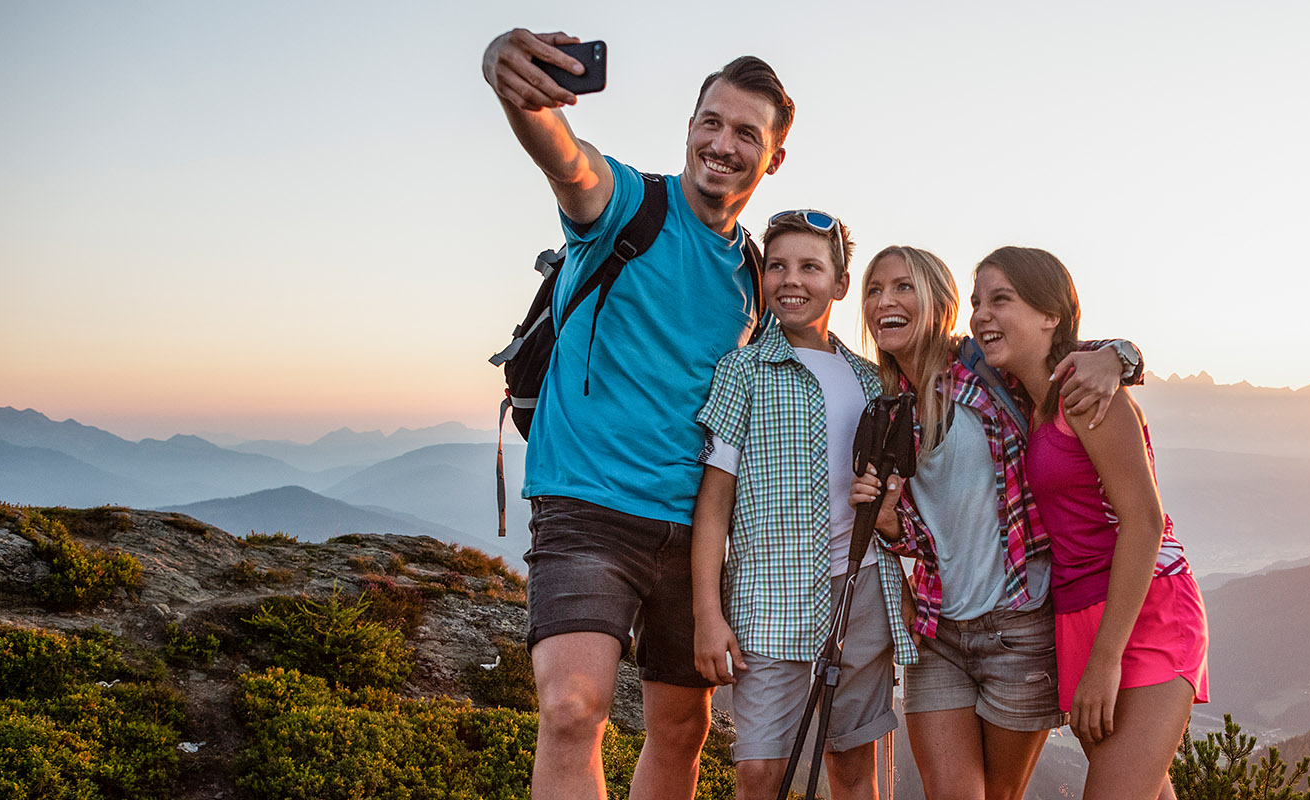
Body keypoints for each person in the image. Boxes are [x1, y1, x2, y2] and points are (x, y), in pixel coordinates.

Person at [481, 29, 793, 800]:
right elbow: (565, 156)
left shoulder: (754, 274)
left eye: (746, 134)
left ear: (773, 159)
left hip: (696, 531)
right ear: (689, 128)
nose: (723, 144)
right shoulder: (627, 204)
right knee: (571, 707)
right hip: (588, 504)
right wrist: (514, 84)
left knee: (683, 731)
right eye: (711, 123)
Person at [850, 246, 1140, 800]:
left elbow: (1067, 354)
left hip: (1019, 626)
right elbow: (929, 532)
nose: (885, 301)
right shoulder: (888, 405)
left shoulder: (989, 370)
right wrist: (889, 525)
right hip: (938, 633)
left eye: (903, 287)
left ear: (940, 301)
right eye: (873, 290)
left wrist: (1121, 355)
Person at [690, 210, 917, 800]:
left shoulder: (874, 381)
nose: (792, 280)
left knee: (849, 765)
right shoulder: (743, 373)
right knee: (760, 772)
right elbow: (714, 507)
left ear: (840, 284)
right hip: (769, 599)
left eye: (811, 267)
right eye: (779, 267)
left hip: (862, 591)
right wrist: (707, 616)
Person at [970, 246, 1209, 800]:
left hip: (1142, 611)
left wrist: (1104, 663)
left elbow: (1144, 522)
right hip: (1076, 616)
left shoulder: (1086, 394)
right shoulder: (1020, 395)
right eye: (978, 301)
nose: (982, 314)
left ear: (1051, 314)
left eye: (1001, 299)